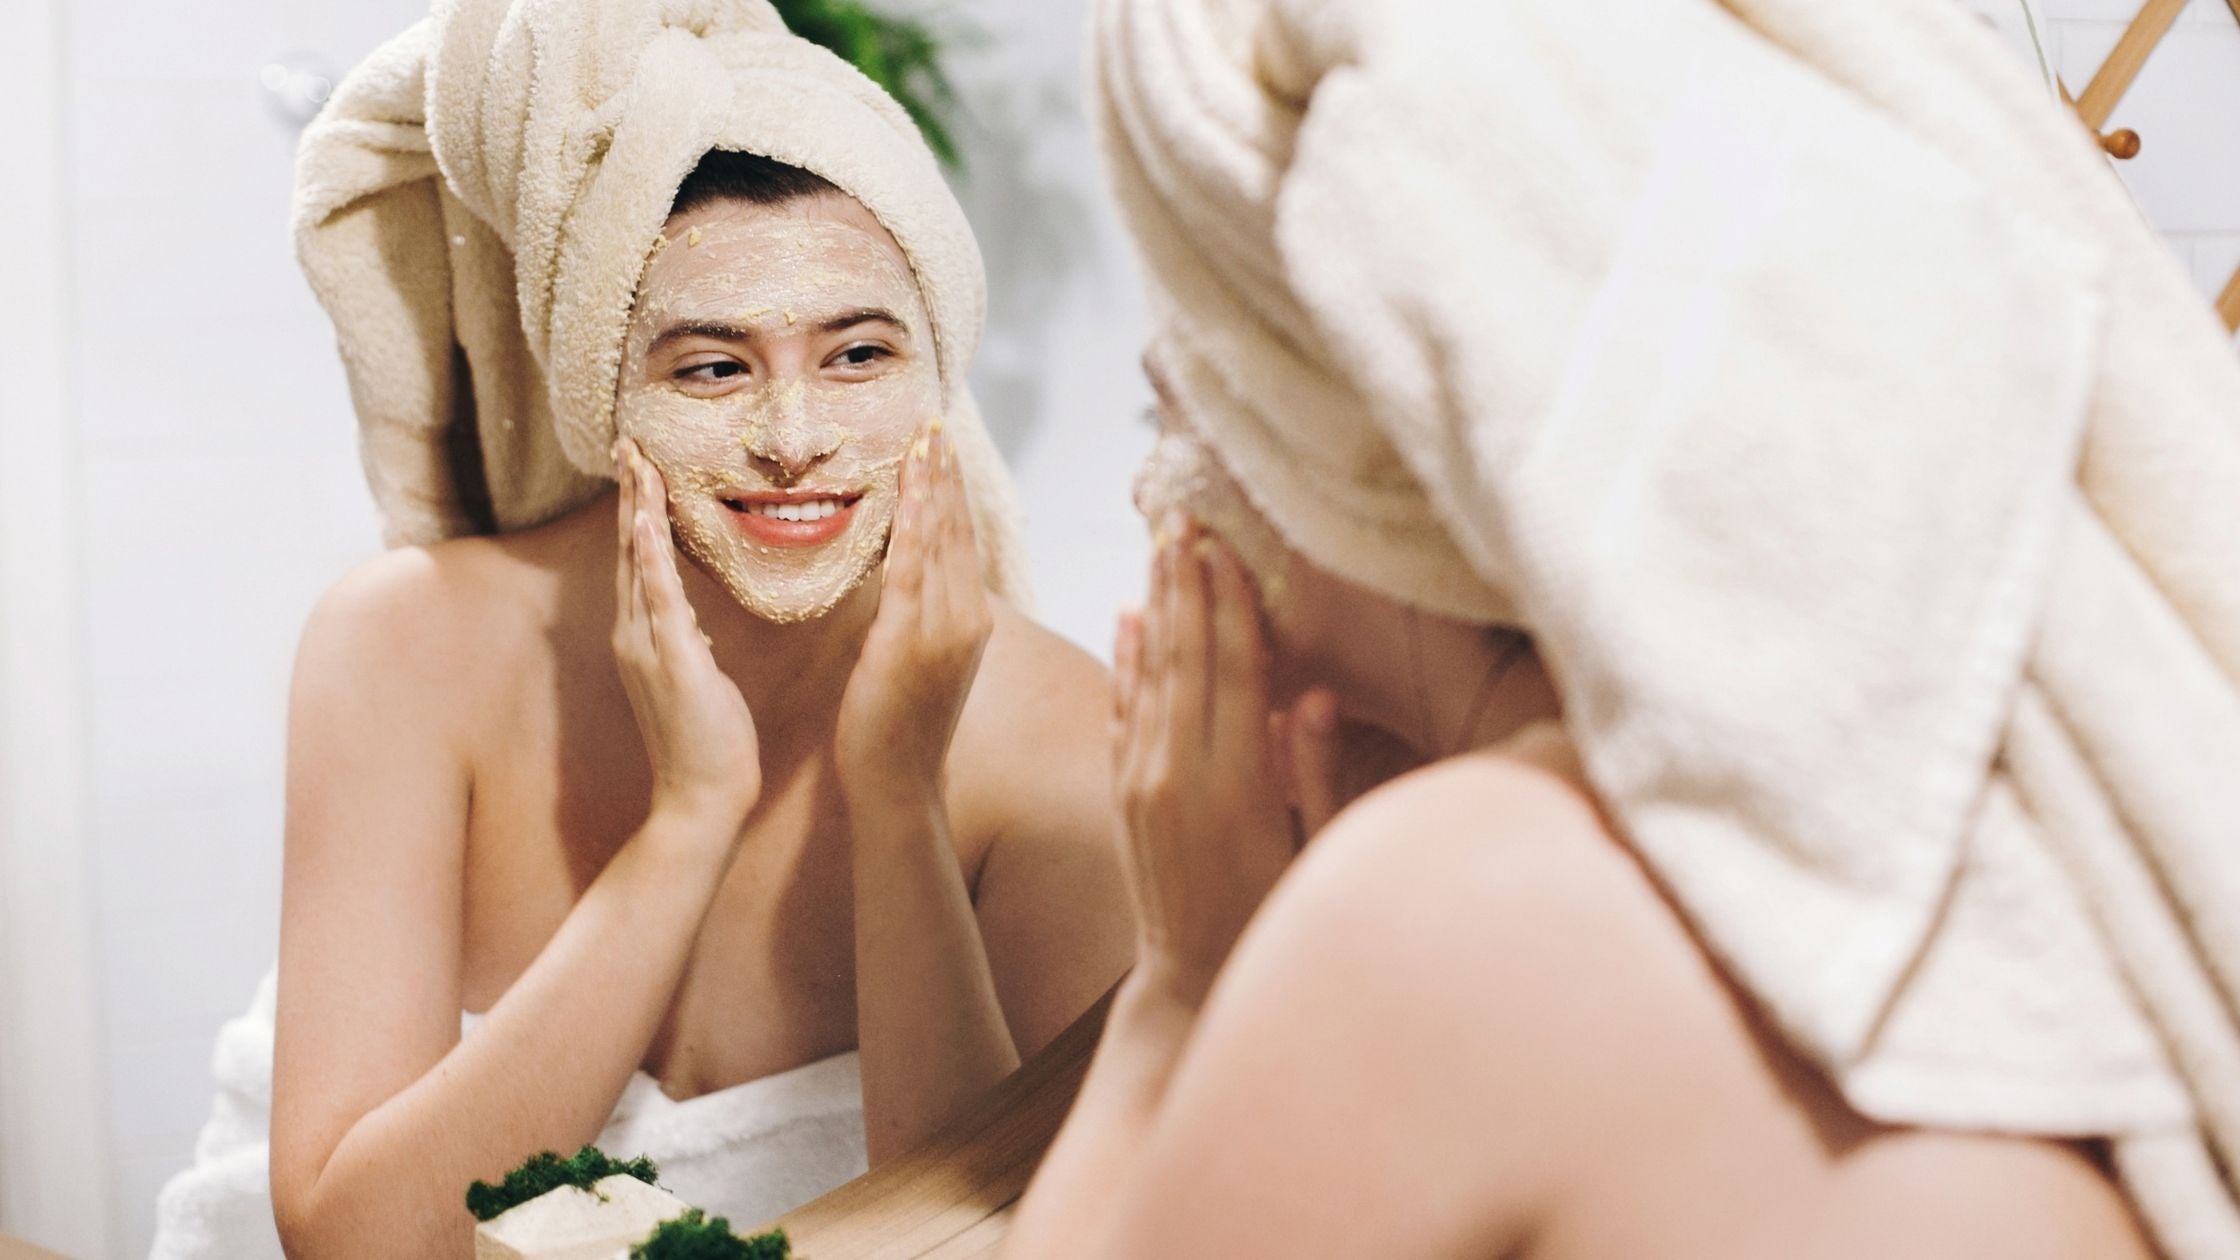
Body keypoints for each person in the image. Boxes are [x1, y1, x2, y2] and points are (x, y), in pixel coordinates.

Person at [995, 0, 2240, 1255]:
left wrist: (1179, 992)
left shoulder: (1456, 910)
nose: (1153, 500)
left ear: (1353, 436)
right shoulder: (2009, 862)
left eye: (1179, 410)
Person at [148, 3, 1130, 1257]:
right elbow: (359, 1245)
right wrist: (689, 820)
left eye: (856, 356)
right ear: (601, 392)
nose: (792, 439)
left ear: (937, 373)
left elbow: (1000, 1240)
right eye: (712, 367)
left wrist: (897, 802)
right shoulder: (409, 649)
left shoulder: (1056, 736)